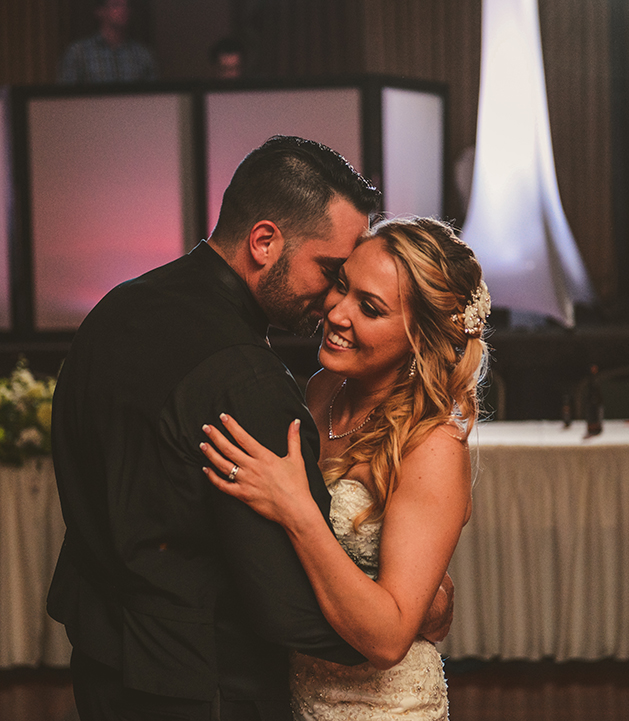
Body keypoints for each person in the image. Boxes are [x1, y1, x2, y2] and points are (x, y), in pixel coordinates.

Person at [48, 136, 450, 721]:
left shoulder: (114, 310)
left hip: (100, 663)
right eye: (332, 271)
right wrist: (402, 623)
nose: (332, 302)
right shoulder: (250, 383)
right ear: (265, 241)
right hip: (206, 685)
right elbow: (283, 601)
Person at [200, 217, 490, 720]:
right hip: (300, 693)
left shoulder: (433, 444)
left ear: (421, 336)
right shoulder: (321, 390)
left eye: (369, 307)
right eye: (342, 285)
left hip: (386, 707)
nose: (336, 312)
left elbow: (387, 640)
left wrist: (297, 512)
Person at [58, 0, 157, 84]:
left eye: (126, 6)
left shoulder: (142, 55)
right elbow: (65, 99)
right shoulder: (79, 53)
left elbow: (154, 98)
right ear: (100, 11)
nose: (123, 10)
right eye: (116, 5)